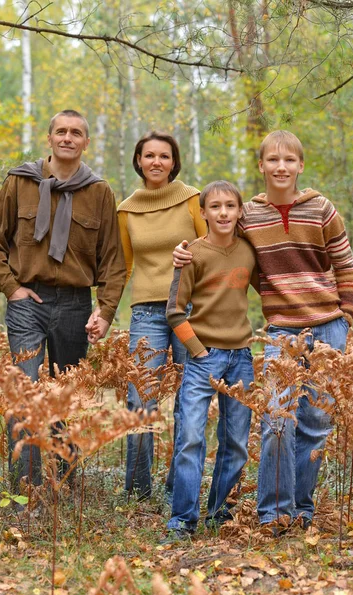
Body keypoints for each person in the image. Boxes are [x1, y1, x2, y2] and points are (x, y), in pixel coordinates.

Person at [173, 130, 353, 532]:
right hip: (279, 333)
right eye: (272, 160)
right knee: (277, 420)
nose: (281, 167)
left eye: (289, 160)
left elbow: (345, 265)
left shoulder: (322, 209)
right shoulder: (249, 215)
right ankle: (273, 514)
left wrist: (346, 316)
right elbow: (220, 244)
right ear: (261, 166)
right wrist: (183, 250)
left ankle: (301, 511)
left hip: (328, 328)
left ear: (300, 166)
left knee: (314, 425)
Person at [0, 109, 126, 493]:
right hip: (28, 300)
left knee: (66, 397)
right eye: (61, 131)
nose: (67, 137)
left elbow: (113, 259)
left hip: (75, 304)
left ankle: (64, 488)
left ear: (86, 142)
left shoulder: (99, 191)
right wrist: (11, 288)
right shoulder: (20, 181)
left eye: (76, 132)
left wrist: (105, 310)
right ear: (49, 138)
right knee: (24, 394)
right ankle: (26, 491)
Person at [116, 130, 207, 501]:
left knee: (191, 397)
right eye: (149, 155)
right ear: (138, 160)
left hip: (189, 309)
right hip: (147, 314)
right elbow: (123, 266)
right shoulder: (126, 209)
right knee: (141, 398)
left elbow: (211, 249)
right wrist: (103, 309)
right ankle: (137, 492)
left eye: (164, 156)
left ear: (174, 162)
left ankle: (181, 488)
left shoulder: (192, 199)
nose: (156, 162)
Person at [164, 180, 256, 540]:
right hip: (205, 358)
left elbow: (269, 287)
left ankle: (220, 514)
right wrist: (198, 351)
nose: (223, 213)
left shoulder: (249, 251)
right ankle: (183, 519)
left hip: (242, 358)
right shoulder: (192, 254)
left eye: (230, 206)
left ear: (239, 211)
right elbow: (174, 311)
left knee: (235, 441)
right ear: (202, 213)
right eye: (215, 207)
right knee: (190, 438)